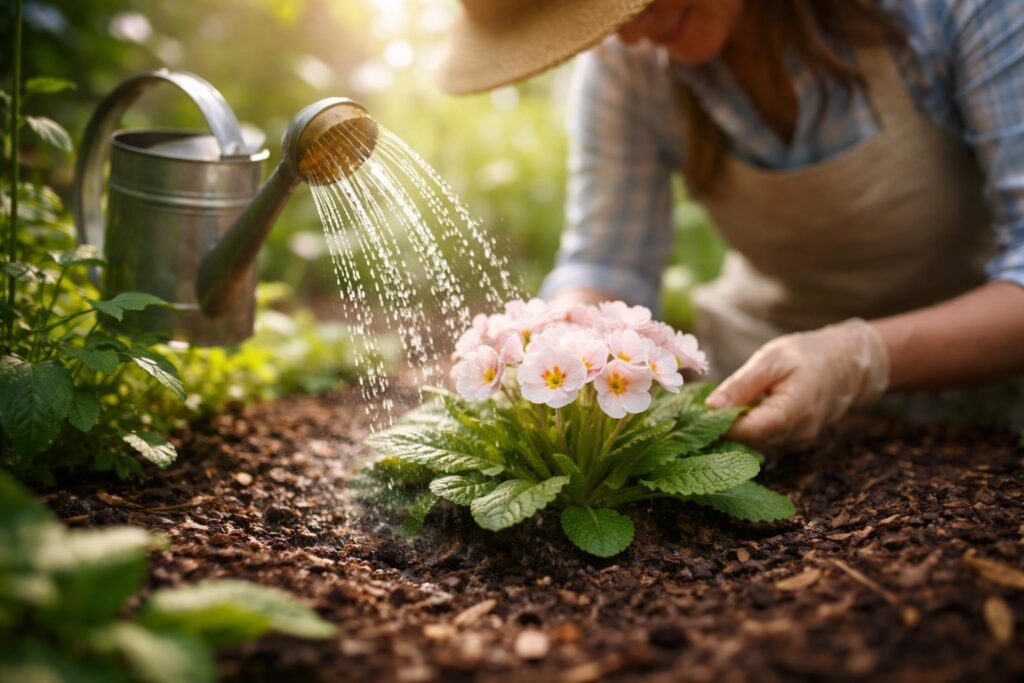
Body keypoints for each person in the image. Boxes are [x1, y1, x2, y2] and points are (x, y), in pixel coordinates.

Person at [436, 0, 1024, 447]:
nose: (633, 33)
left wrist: (858, 357)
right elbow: (607, 263)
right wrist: (563, 330)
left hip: (982, 381)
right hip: (754, 381)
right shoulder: (628, 64)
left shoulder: (954, 13)